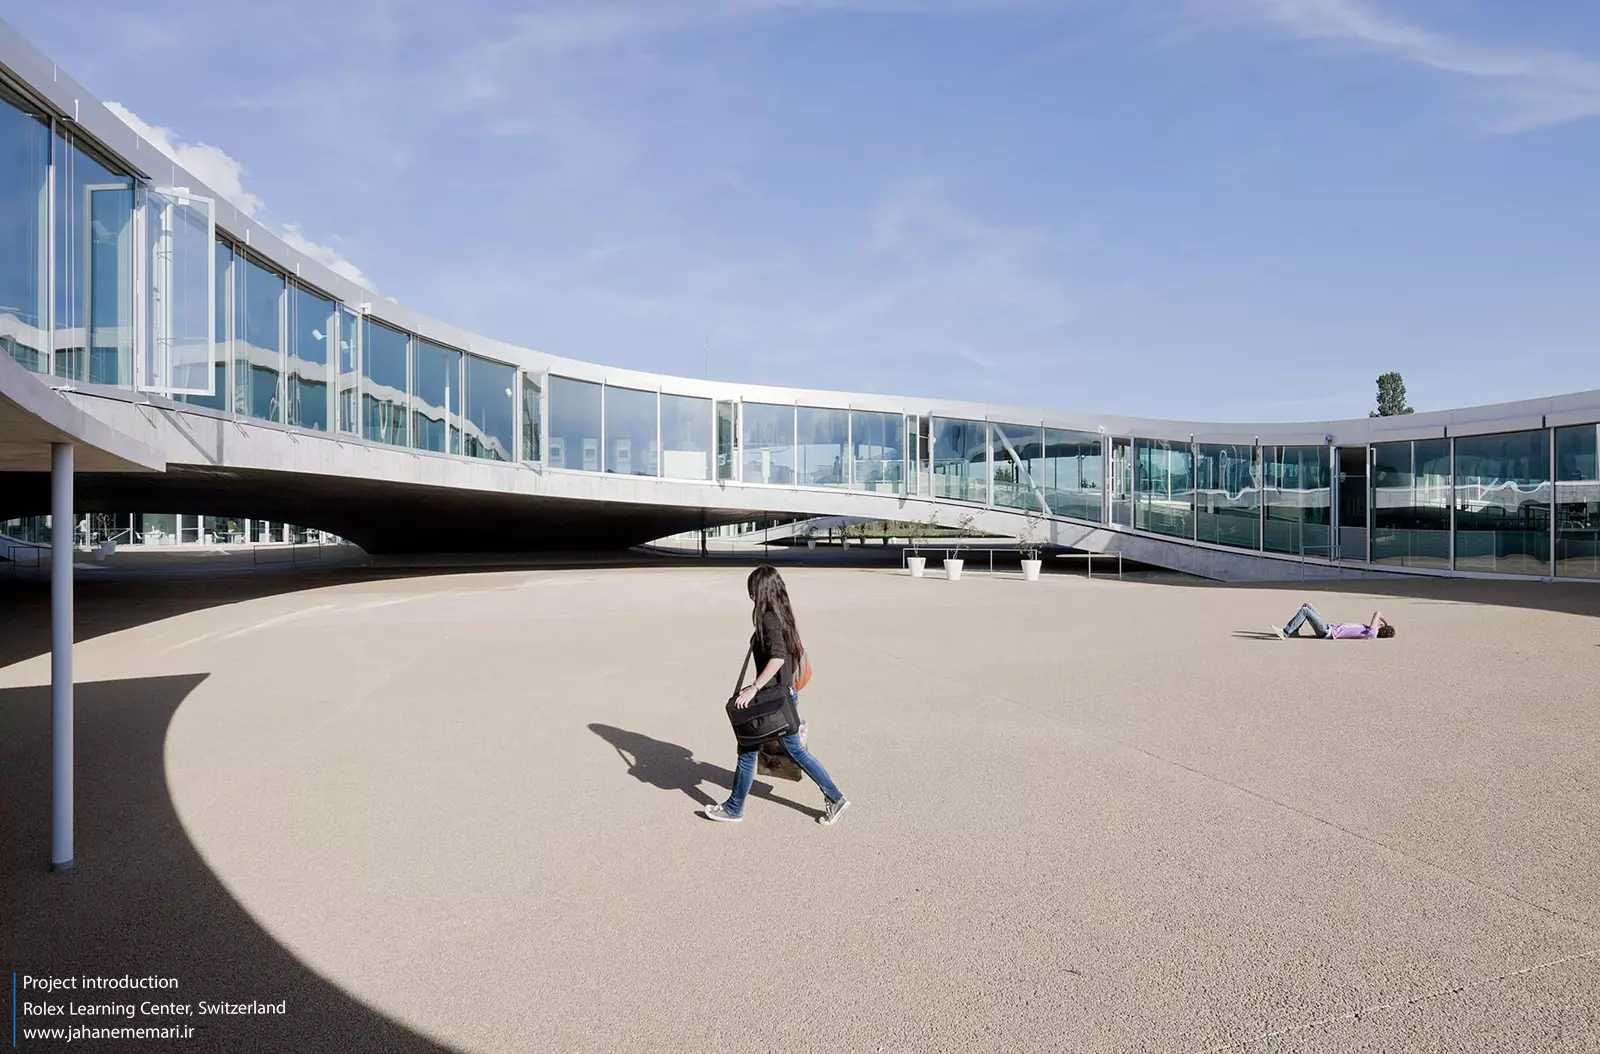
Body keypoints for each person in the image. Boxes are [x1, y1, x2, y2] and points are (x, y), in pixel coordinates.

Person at [703, 566, 850, 826]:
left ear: (761, 591)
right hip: (783, 697)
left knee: (750, 750)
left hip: (771, 701)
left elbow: (778, 656)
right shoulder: (783, 615)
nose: (750, 596)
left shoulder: (769, 618)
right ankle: (835, 797)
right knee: (787, 751)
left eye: (752, 591)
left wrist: (754, 687)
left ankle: (735, 808)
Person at [1272, 603, 1394, 640]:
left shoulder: (1372, 633)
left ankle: (1286, 633)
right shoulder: (1370, 630)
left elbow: (1377, 613)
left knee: (1305, 611)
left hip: (1327, 632)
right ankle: (1294, 631)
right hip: (1328, 627)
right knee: (1307, 605)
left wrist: (1385, 622)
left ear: (1382, 629)